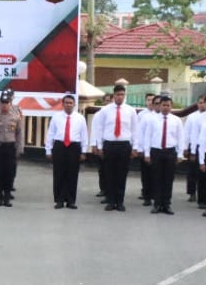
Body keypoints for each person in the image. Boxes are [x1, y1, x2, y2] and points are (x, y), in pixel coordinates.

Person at [91, 83, 136, 212]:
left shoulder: (130, 111)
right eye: (117, 95)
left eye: (122, 94)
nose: (120, 97)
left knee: (122, 174)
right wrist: (99, 146)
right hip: (109, 144)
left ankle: (120, 202)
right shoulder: (105, 111)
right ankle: (110, 201)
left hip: (124, 145)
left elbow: (134, 130)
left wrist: (135, 147)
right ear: (113, 95)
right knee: (109, 174)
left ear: (124, 95)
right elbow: (100, 128)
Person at [141, 93, 182, 215]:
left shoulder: (176, 120)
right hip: (156, 151)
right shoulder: (152, 120)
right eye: (163, 105)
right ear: (159, 106)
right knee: (157, 178)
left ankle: (166, 204)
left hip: (170, 151)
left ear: (171, 106)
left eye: (168, 105)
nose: (165, 107)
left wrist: (180, 154)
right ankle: (157, 204)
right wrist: (147, 154)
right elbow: (147, 136)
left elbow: (180, 138)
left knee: (168, 179)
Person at [46, 94, 86, 209]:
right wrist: (48, 150)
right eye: (66, 103)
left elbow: (84, 135)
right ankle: (59, 200)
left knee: (72, 174)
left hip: (74, 147)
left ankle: (71, 201)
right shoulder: (56, 117)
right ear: (62, 104)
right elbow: (50, 134)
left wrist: (83, 151)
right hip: (60, 146)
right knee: (59, 174)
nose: (68, 105)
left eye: (71, 103)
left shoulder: (80, 118)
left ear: (74, 104)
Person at [0, 90, 24, 206]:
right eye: (2, 102)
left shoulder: (16, 117)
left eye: (6, 102)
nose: (4, 105)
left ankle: (7, 197)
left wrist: (20, 149)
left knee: (9, 172)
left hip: (10, 147)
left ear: (10, 103)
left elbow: (19, 134)